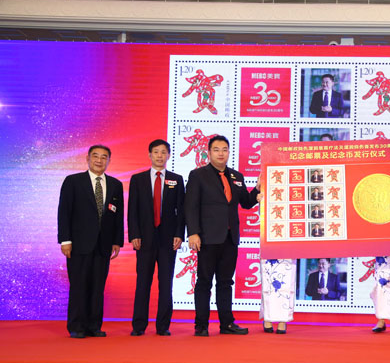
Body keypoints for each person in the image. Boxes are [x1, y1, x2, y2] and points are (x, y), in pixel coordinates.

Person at [185, 135, 260, 336]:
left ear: (228, 152)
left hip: (230, 238)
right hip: (207, 238)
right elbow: (190, 206)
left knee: (226, 282)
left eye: (224, 149)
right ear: (209, 152)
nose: (221, 153)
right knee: (204, 282)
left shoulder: (236, 176)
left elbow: (246, 202)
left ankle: (227, 323)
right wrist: (193, 233)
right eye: (216, 149)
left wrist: (258, 189)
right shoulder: (198, 175)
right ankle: (201, 325)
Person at [57, 145, 124, 338]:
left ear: (109, 161)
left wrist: (117, 241)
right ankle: (77, 327)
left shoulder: (115, 184)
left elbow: (118, 215)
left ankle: (94, 326)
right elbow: (64, 212)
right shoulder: (73, 181)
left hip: (104, 244)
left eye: (104, 157)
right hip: (78, 243)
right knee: (79, 285)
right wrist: (65, 240)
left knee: (97, 287)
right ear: (87, 158)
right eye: (95, 156)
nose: (99, 160)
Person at [128, 139, 185, 337]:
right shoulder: (138, 179)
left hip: (168, 240)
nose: (160, 156)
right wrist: (134, 234)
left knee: (166, 283)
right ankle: (139, 325)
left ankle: (163, 326)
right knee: (143, 283)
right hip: (144, 239)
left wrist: (179, 234)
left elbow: (182, 211)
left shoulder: (177, 179)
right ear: (149, 155)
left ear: (168, 155)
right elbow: (132, 210)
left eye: (163, 152)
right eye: (156, 152)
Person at [260, 259, 297, 334]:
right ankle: (267, 318)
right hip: (269, 253)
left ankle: (283, 320)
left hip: (288, 254)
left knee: (286, 283)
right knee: (268, 283)